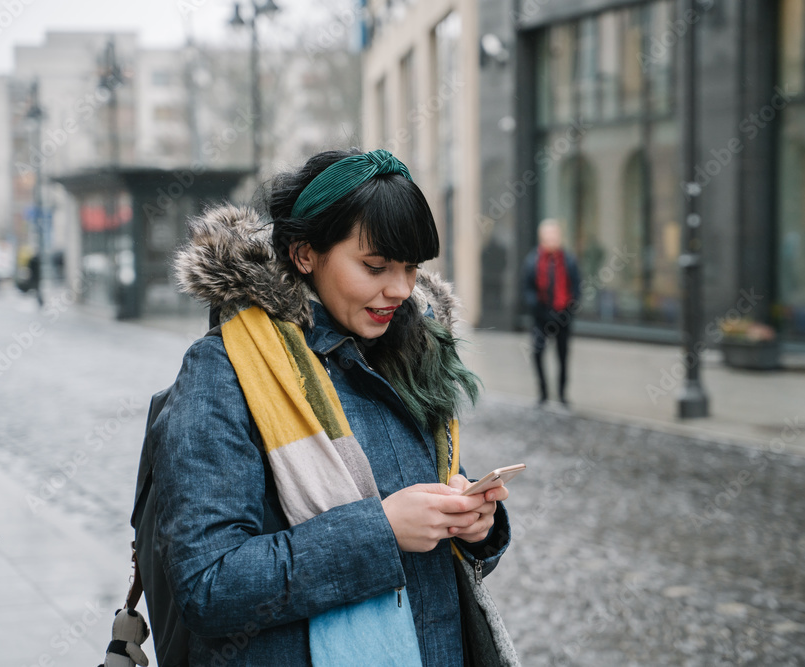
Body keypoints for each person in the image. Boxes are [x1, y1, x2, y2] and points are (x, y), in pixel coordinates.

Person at [148, 149, 512, 665]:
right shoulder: (225, 371)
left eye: (411, 267)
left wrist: (475, 524)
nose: (400, 289)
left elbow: (434, 514)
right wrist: (381, 533)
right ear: (303, 254)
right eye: (375, 266)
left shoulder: (407, 354)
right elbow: (208, 585)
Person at [523, 219, 581, 406]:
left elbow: (576, 286)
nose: (551, 239)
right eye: (548, 235)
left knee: (563, 355)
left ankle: (563, 394)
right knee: (538, 353)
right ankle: (543, 393)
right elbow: (527, 288)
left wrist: (570, 308)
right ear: (542, 238)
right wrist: (537, 307)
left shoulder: (569, 260)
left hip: (563, 315)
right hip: (541, 316)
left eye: (554, 235)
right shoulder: (533, 260)